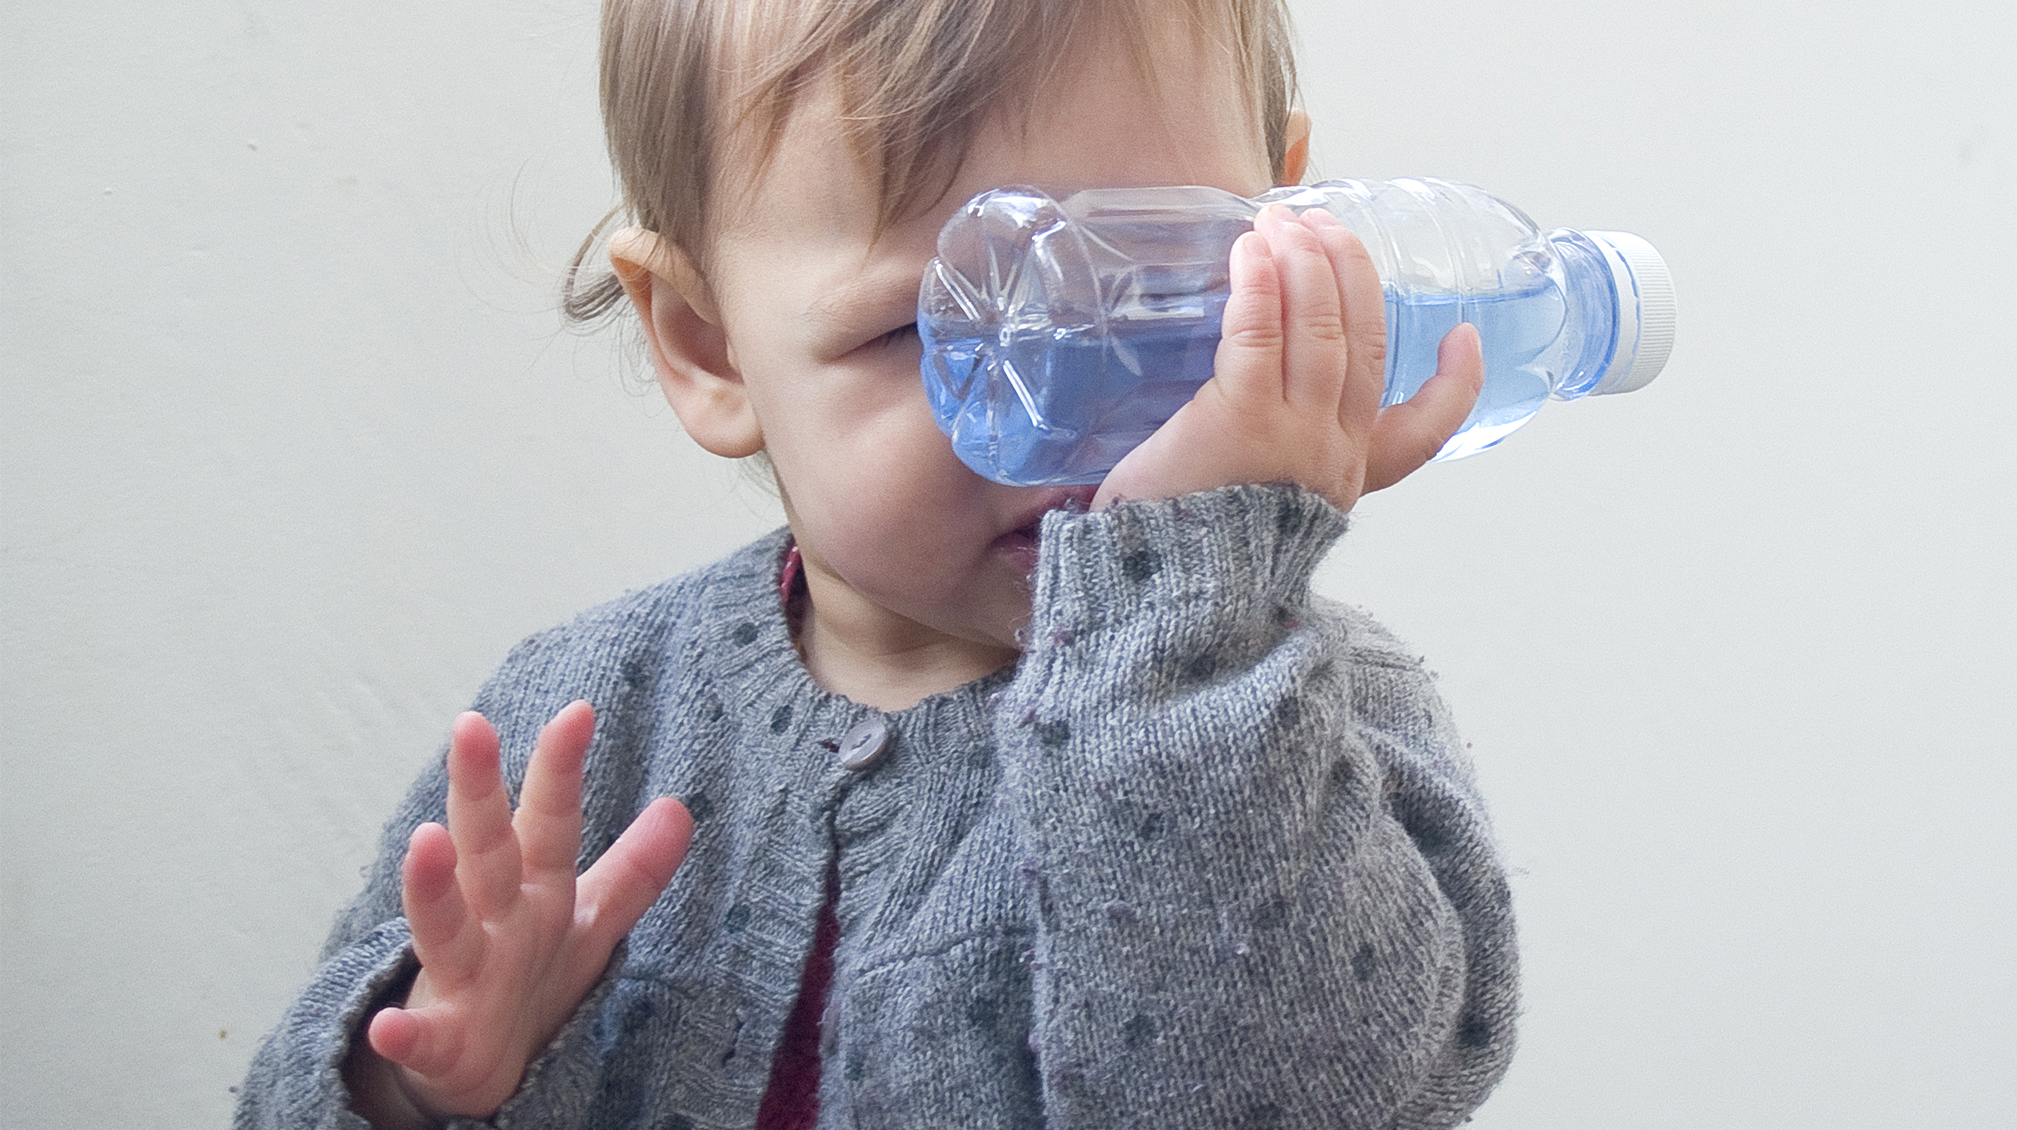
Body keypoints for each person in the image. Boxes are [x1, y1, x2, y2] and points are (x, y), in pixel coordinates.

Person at [236, 0, 1517, 1125]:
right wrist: (409, 1086)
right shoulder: (587, 716)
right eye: (932, 324)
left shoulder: (1316, 718)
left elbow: (1278, 1093)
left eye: (1156, 281)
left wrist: (1176, 629)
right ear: (711, 345)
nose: (1072, 402)